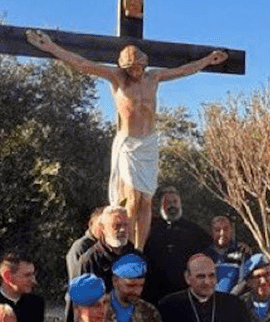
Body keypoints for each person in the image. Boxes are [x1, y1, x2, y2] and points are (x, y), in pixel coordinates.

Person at [27, 28, 227, 250]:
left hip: (149, 144)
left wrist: (208, 60)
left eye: (139, 67)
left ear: (145, 63)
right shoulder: (116, 78)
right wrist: (50, 47)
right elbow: (82, 64)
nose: (135, 72)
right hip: (129, 144)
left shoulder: (154, 77)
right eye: (130, 68)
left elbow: (183, 70)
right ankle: (127, 248)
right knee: (132, 198)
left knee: (147, 201)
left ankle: (139, 250)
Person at [71, 205, 141, 322]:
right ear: (103, 229)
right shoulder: (89, 260)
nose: (123, 230)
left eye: (125, 225)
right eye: (117, 226)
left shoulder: (138, 259)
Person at [142, 187, 211, 304]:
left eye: (175, 202)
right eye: (167, 202)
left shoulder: (194, 230)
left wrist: (239, 246)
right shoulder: (148, 228)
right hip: (153, 293)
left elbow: (216, 248)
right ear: (160, 205)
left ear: (180, 204)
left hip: (184, 294)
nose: (171, 205)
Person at [205, 215, 254, 295]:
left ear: (231, 231)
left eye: (226, 229)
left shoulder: (242, 252)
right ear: (211, 232)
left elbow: (248, 280)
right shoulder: (205, 255)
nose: (222, 233)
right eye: (217, 230)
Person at [66, 207, 105, 281]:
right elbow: (76, 278)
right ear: (91, 224)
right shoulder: (81, 246)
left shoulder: (108, 247)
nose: (103, 229)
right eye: (100, 224)